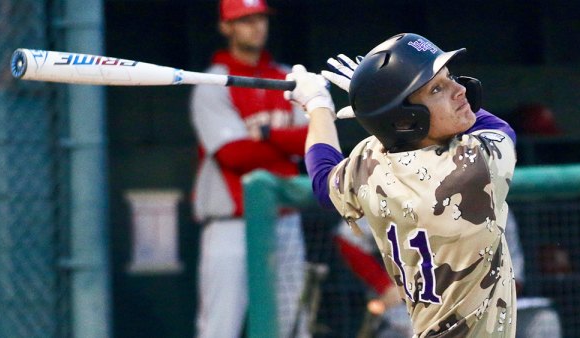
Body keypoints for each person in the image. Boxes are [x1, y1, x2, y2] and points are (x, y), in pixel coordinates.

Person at [284, 33, 518, 337]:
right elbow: (497, 127)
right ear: (406, 119)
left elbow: (322, 180)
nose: (460, 90)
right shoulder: (473, 166)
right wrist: (383, 97)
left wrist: (318, 106)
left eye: (450, 78)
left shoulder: (370, 162)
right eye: (437, 88)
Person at [189, 1, 310, 337]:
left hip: (284, 219)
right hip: (231, 224)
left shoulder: (288, 78)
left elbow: (311, 141)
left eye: (259, 18)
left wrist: (268, 135)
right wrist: (284, 147)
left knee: (291, 327)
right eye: (244, 20)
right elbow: (234, 154)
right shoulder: (211, 83)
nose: (256, 27)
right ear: (226, 27)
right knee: (219, 328)